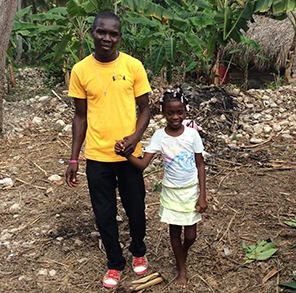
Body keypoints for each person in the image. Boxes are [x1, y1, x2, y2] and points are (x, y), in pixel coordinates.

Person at [65, 11, 152, 289]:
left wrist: (134, 137)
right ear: (92, 33)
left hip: (128, 156)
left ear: (119, 37)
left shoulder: (133, 66)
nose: (107, 38)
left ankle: (138, 251)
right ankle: (115, 263)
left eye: (113, 34)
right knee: (104, 213)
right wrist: (74, 157)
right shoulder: (80, 70)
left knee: (136, 208)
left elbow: (146, 109)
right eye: (102, 32)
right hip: (97, 157)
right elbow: (80, 117)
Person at [115, 88, 208, 289]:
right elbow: (142, 165)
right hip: (171, 192)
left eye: (180, 112)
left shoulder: (192, 135)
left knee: (191, 236)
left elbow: (200, 165)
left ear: (186, 111)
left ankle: (181, 253)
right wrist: (126, 155)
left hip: (190, 191)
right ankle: (182, 268)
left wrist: (202, 195)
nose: (175, 117)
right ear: (163, 113)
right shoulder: (159, 136)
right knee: (175, 232)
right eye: (170, 113)